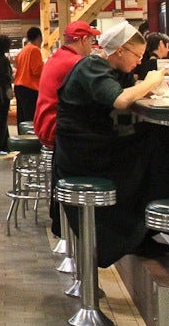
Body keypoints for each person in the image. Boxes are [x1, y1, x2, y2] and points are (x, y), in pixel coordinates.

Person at [55, 21, 169, 267]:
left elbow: (123, 91)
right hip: (83, 155)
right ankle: (142, 227)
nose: (138, 61)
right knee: (155, 141)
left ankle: (142, 230)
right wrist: (153, 80)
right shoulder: (92, 66)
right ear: (121, 50)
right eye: (137, 55)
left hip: (88, 147)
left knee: (152, 138)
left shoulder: (104, 68)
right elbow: (121, 100)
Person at [32, 20, 101, 238]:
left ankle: (64, 223)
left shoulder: (59, 57)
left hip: (47, 125)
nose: (93, 43)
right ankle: (84, 226)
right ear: (81, 40)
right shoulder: (75, 62)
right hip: (57, 129)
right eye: (91, 39)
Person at [12, 26, 44, 124]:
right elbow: (36, 70)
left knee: (22, 119)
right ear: (39, 37)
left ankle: (22, 137)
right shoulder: (34, 50)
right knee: (30, 119)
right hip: (30, 87)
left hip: (19, 86)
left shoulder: (23, 50)